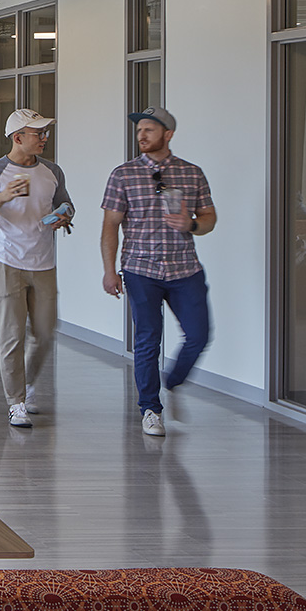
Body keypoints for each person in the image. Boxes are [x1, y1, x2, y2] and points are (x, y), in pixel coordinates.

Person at [100, 106, 217, 438]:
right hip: (140, 269)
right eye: (139, 131)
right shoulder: (123, 175)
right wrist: (110, 271)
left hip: (185, 269)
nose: (141, 136)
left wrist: (191, 223)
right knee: (148, 339)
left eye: (149, 130)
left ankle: (174, 381)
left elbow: (209, 217)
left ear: (168, 134)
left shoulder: (192, 173)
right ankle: (150, 408)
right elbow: (110, 226)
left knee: (198, 335)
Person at [0, 109, 73, 428]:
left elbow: (65, 203)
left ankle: (25, 385)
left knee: (44, 332)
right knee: (11, 335)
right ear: (18, 138)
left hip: (44, 263)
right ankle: (16, 403)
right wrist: (3, 197)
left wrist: (64, 216)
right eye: (37, 133)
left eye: (45, 133)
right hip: (7, 262)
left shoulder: (52, 170)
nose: (43, 138)